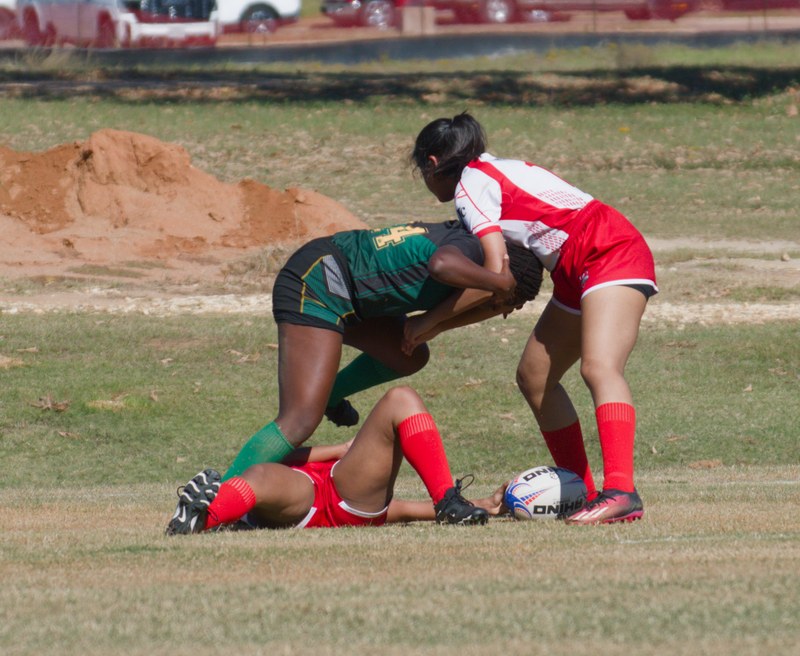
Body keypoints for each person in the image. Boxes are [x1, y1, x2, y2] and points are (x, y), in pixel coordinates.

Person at [406, 112, 659, 525]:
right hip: (575, 265)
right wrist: (435, 325)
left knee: (599, 367)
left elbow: (494, 275)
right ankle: (582, 491)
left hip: (607, 250)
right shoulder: (496, 167)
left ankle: (621, 492)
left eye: (422, 171)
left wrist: (427, 322)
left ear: (432, 164)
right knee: (535, 376)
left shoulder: (470, 185)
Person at [218, 219, 542, 483]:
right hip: (319, 282)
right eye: (510, 302)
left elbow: (449, 312)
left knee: (410, 355)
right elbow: (441, 264)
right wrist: (500, 285)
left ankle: (331, 394)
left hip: (352, 297)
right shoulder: (469, 254)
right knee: (300, 419)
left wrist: (433, 323)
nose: (502, 311)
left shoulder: (473, 251)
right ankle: (212, 502)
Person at [166, 385, 502, 534]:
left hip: (331, 494)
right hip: (327, 497)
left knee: (260, 473)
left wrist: (484, 504)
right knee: (260, 472)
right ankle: (206, 515)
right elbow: (283, 458)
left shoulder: (372, 500)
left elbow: (409, 510)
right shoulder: (369, 504)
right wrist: (341, 449)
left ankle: (205, 515)